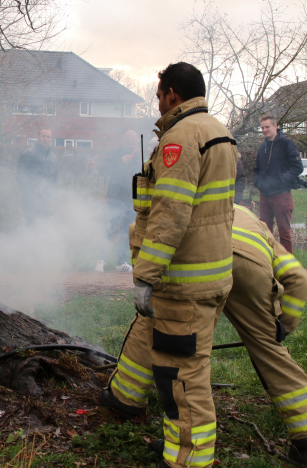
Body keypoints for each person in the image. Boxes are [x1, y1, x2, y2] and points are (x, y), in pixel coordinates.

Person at [105, 205, 307, 467]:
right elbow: (298, 278)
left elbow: (146, 236)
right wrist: (281, 328)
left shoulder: (186, 208)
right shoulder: (254, 222)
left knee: (160, 327)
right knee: (269, 350)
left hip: (201, 262)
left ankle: (127, 399)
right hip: (251, 267)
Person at [101, 62, 237, 468]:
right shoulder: (218, 131)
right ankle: (178, 449)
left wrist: (146, 274)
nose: (157, 103)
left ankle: (189, 460)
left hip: (183, 282)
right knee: (177, 368)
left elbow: (170, 213)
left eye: (159, 95)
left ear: (172, 94)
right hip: (210, 274)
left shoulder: (181, 137)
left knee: (181, 378)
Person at [253, 115, 303, 253]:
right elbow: (256, 169)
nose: (264, 130)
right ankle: (268, 262)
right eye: (262, 127)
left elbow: (298, 167)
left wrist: (282, 179)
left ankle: (287, 265)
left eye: (267, 127)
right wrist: (258, 182)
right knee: (265, 232)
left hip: (282, 195)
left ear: (275, 127)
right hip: (265, 195)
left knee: (284, 232)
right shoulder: (262, 146)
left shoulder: (286, 143)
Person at [95, 130, 139, 273]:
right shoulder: (114, 155)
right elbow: (102, 170)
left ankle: (121, 262)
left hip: (131, 199)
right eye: (128, 143)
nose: (131, 146)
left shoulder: (139, 157)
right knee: (109, 229)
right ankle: (101, 261)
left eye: (133, 143)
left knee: (126, 232)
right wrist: (119, 162)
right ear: (123, 141)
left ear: (137, 143)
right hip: (114, 198)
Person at [16, 127, 58, 224]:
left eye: (48, 137)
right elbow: (21, 177)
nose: (46, 139)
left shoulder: (53, 157)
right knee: (32, 225)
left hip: (47, 199)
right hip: (31, 200)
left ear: (51, 139)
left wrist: (55, 193)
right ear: (38, 138)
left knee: (45, 225)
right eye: (43, 136)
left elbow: (56, 177)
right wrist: (30, 195)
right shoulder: (28, 154)